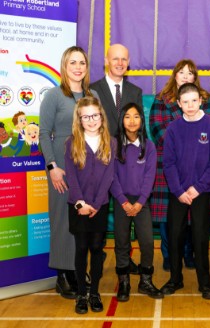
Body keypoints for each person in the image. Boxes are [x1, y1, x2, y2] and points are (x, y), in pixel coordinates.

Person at [40, 46, 98, 299]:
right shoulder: (54, 95)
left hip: (85, 167)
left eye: (82, 62)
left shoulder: (92, 94)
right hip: (61, 169)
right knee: (63, 221)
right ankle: (63, 275)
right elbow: (43, 133)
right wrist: (52, 167)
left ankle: (76, 268)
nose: (77, 67)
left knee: (81, 221)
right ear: (65, 66)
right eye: (72, 62)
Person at [149, 59, 210, 271]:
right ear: (174, 75)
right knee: (169, 217)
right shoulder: (162, 99)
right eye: (181, 72)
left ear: (195, 77)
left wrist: (190, 143)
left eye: (190, 73)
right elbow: (158, 131)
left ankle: (189, 253)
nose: (186, 76)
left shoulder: (205, 99)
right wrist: (184, 141)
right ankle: (170, 255)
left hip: (198, 169)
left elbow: (209, 132)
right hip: (168, 167)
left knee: (193, 217)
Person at [160, 83, 210, 300]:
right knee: (175, 235)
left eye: (194, 101)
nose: (190, 105)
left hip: (200, 192)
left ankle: (205, 283)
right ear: (178, 104)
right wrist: (179, 191)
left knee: (200, 237)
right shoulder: (174, 129)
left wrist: (197, 188)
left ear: (200, 101)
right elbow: (168, 163)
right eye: (185, 102)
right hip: (178, 193)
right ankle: (175, 279)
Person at [91, 43, 142, 273]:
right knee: (99, 214)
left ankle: (125, 259)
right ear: (106, 60)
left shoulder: (135, 92)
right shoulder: (92, 90)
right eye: (115, 59)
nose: (120, 63)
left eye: (124, 59)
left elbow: (138, 129)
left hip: (125, 165)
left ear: (128, 62)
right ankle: (96, 259)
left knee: (124, 218)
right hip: (99, 163)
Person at [64, 96, 116, 314]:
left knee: (96, 248)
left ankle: (94, 292)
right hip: (78, 205)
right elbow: (72, 177)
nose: (91, 120)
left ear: (101, 117)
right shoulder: (71, 142)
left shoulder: (111, 142)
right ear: (79, 119)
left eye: (95, 115)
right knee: (81, 248)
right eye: (86, 117)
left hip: (99, 205)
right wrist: (80, 203)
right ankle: (81, 294)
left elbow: (109, 176)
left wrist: (95, 204)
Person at [110, 103, 163, 301]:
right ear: (121, 120)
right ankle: (124, 282)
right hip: (121, 201)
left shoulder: (148, 146)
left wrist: (140, 202)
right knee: (121, 242)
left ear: (142, 120)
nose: (132, 121)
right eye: (127, 116)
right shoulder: (114, 145)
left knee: (147, 241)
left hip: (142, 202)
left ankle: (146, 281)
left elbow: (150, 177)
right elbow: (112, 177)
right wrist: (123, 201)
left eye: (136, 116)